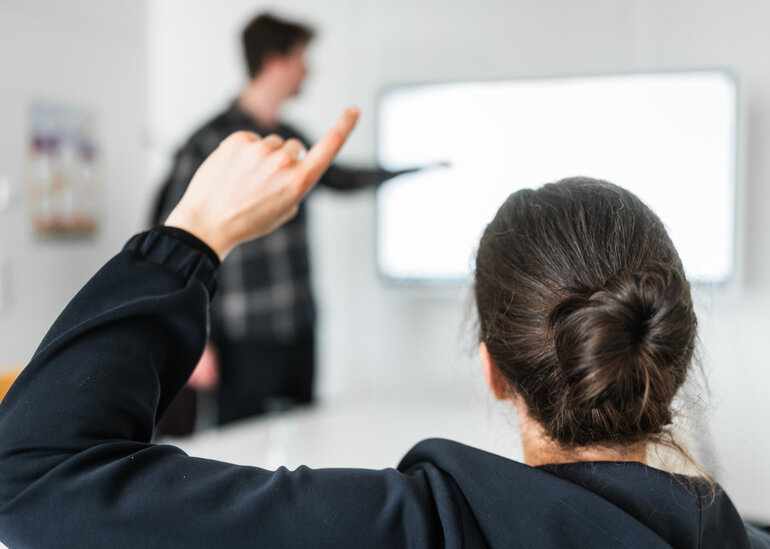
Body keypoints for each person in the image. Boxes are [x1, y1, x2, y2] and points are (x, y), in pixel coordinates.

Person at [1, 108, 768, 548]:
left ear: (492, 367)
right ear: (669, 351)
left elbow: (30, 475)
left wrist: (193, 234)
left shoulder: (397, 531)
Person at [152, 13, 415, 430]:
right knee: (242, 465)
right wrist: (195, 341)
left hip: (299, 326)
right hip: (242, 335)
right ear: (275, 61)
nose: (308, 69)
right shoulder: (208, 141)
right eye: (301, 57)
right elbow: (173, 241)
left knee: (301, 451)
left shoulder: (293, 136)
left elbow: (340, 177)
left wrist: (412, 170)